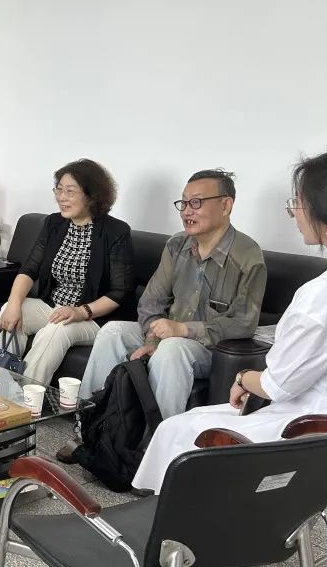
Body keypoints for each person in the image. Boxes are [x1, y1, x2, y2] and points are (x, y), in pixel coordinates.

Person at [132, 148, 327, 494]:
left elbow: (277, 386)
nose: (293, 214)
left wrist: (242, 377)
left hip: (315, 437)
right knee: (189, 422)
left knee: (176, 432)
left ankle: (169, 519)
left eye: (297, 203)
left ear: (325, 215)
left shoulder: (325, 292)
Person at [77, 169, 266, 423]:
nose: (187, 211)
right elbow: (152, 300)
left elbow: (243, 322)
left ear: (225, 205)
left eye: (196, 203)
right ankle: (88, 424)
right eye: (183, 203)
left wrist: (183, 330)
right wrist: (152, 339)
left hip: (210, 350)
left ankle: (157, 440)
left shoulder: (247, 255)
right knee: (113, 332)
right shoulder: (177, 245)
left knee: (173, 349)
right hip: (166, 336)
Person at [0, 160, 133, 385]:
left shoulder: (116, 231)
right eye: (58, 190)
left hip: (93, 316)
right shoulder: (54, 223)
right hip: (54, 307)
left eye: (70, 191)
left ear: (91, 195)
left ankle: (25, 396)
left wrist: (81, 311)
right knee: (10, 310)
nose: (62, 197)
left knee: (56, 329)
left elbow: (120, 292)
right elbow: (29, 269)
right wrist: (13, 304)